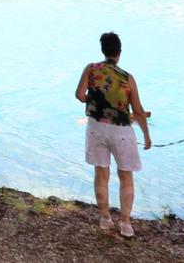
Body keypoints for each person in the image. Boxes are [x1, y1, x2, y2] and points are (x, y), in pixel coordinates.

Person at [75, 31, 151, 238]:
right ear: (119, 52)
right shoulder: (127, 78)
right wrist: (146, 136)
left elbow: (79, 95)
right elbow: (138, 110)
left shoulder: (91, 69)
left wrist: (93, 99)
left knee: (101, 173)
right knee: (126, 176)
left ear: (103, 50)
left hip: (96, 128)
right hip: (122, 131)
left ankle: (105, 218)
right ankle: (125, 224)